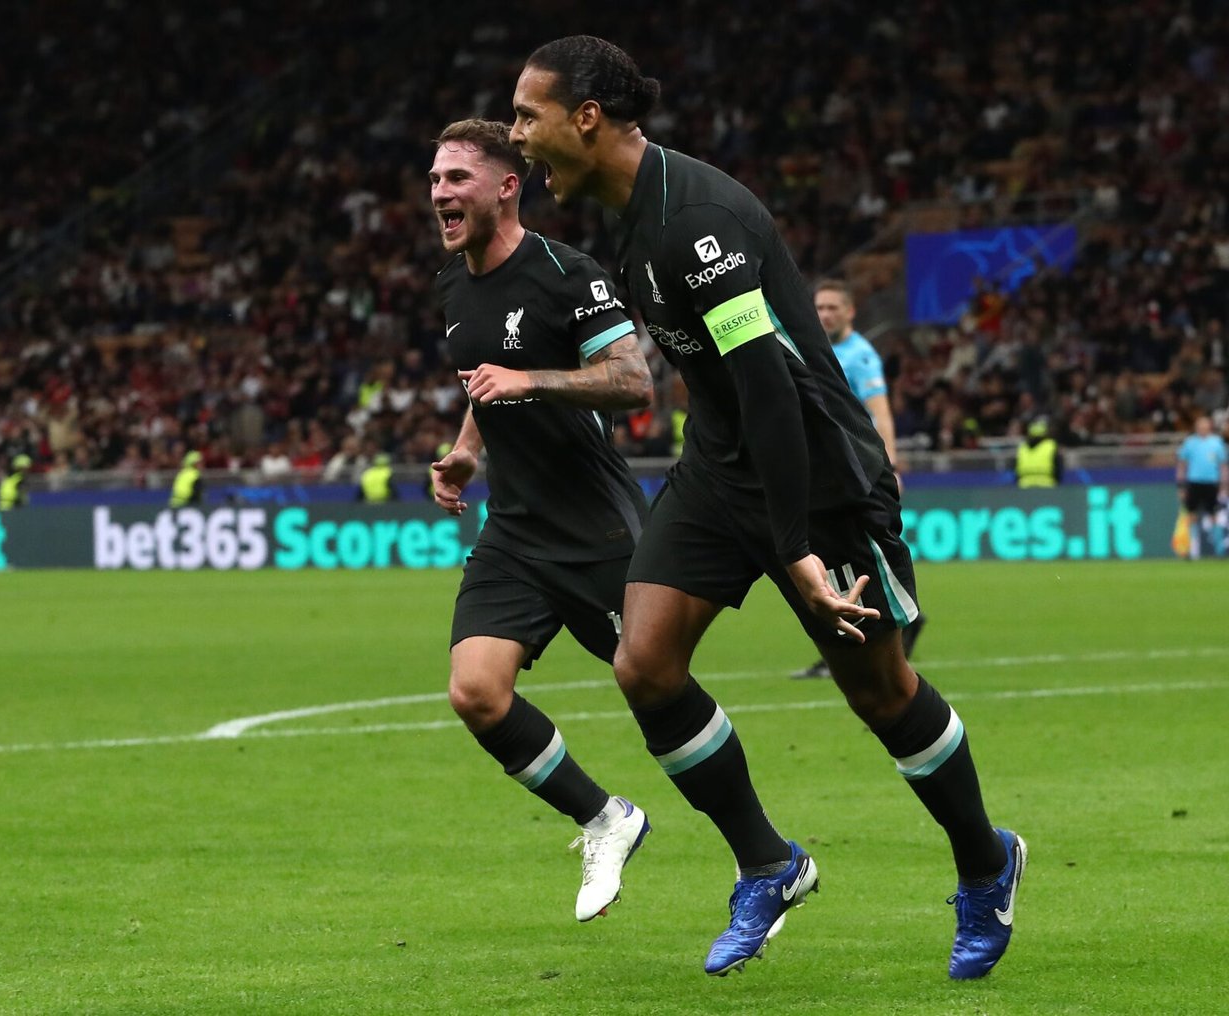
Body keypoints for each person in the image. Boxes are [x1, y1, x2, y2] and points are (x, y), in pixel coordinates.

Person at [511, 37, 1023, 979]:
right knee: (646, 664)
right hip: (720, 459)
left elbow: (775, 395)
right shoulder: (622, 219)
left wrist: (793, 551)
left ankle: (987, 865)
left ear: (585, 117)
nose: (518, 139)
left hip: (818, 471)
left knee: (881, 691)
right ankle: (768, 862)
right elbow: (725, 391)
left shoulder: (697, 222)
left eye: (526, 116)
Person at [428, 118, 656, 922]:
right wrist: (465, 451)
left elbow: (633, 382)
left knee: (656, 687)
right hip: (515, 529)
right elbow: (483, 385)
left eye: (458, 178)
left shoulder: (567, 271)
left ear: (506, 186)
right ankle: (606, 819)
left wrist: (532, 381)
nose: (441, 194)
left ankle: (764, 856)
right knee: (476, 693)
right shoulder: (453, 288)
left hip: (594, 526)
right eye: (435, 179)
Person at [794, 280, 923, 678]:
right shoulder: (816, 348)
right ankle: (848, 643)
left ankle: (886, 628)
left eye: (833, 307)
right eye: (820, 307)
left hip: (855, 471)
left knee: (848, 557)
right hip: (825, 469)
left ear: (850, 312)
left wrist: (892, 467)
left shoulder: (860, 355)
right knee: (834, 560)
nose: (825, 314)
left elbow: (879, 412)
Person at [1176, 415, 1229, 559]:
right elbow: (1182, 464)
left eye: (1205, 425)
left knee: (1214, 516)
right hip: (1194, 483)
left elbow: (1223, 466)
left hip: (1211, 483)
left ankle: (1219, 550)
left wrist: (1224, 485)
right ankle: (1193, 550)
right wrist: (1180, 486)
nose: (1203, 428)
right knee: (1191, 516)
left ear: (1209, 426)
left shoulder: (1216, 443)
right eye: (1200, 425)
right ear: (1196, 427)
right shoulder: (1190, 443)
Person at [1015, 418, 1061, 487]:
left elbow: (1016, 469)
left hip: (1024, 486)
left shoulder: (1022, 447)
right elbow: (1058, 468)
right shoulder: (1051, 445)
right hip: (1046, 486)